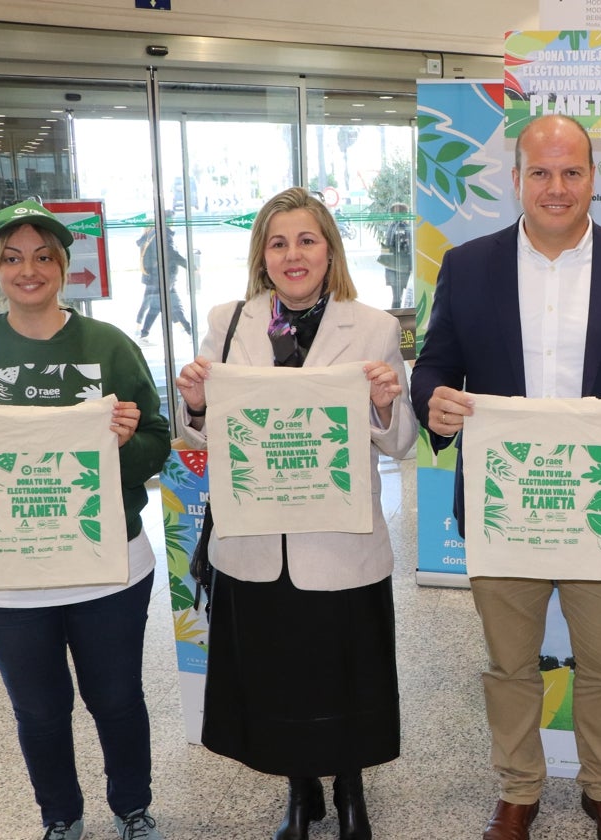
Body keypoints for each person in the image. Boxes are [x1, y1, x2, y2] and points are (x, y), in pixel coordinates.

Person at [410, 114, 601, 840]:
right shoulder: (468, 266)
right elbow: (437, 363)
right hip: (507, 509)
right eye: (540, 172)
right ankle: (519, 788)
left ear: (595, 178)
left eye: (572, 172)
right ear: (516, 181)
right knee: (510, 665)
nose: (557, 187)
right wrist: (433, 401)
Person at [0, 200, 170, 840]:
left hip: (108, 567)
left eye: (43, 256)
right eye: (13, 258)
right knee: (40, 711)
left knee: (116, 701)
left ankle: (132, 808)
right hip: (4, 576)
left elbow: (156, 445)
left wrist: (124, 443)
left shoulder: (108, 346)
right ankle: (61, 818)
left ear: (64, 265)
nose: (30, 270)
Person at [174, 187, 415, 840]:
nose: (293, 254)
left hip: (339, 542)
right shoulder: (229, 321)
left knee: (346, 674)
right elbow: (203, 436)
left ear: (329, 249)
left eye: (306, 239)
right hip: (256, 541)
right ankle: (300, 790)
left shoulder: (372, 326)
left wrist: (388, 403)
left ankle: (351, 791)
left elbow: (399, 442)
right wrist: (195, 406)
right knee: (280, 678)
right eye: (278, 242)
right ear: (262, 255)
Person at [136, 218, 192, 342]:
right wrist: (190, 265)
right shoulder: (163, 235)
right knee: (163, 306)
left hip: (159, 278)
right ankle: (188, 330)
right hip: (163, 278)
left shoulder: (151, 236)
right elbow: (172, 253)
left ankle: (187, 329)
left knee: (161, 306)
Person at [377, 201, 412, 308]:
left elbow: (389, 245)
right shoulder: (402, 226)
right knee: (397, 297)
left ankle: (396, 315)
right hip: (399, 266)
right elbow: (405, 247)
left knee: (396, 296)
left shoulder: (392, 226)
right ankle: (396, 317)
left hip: (392, 266)